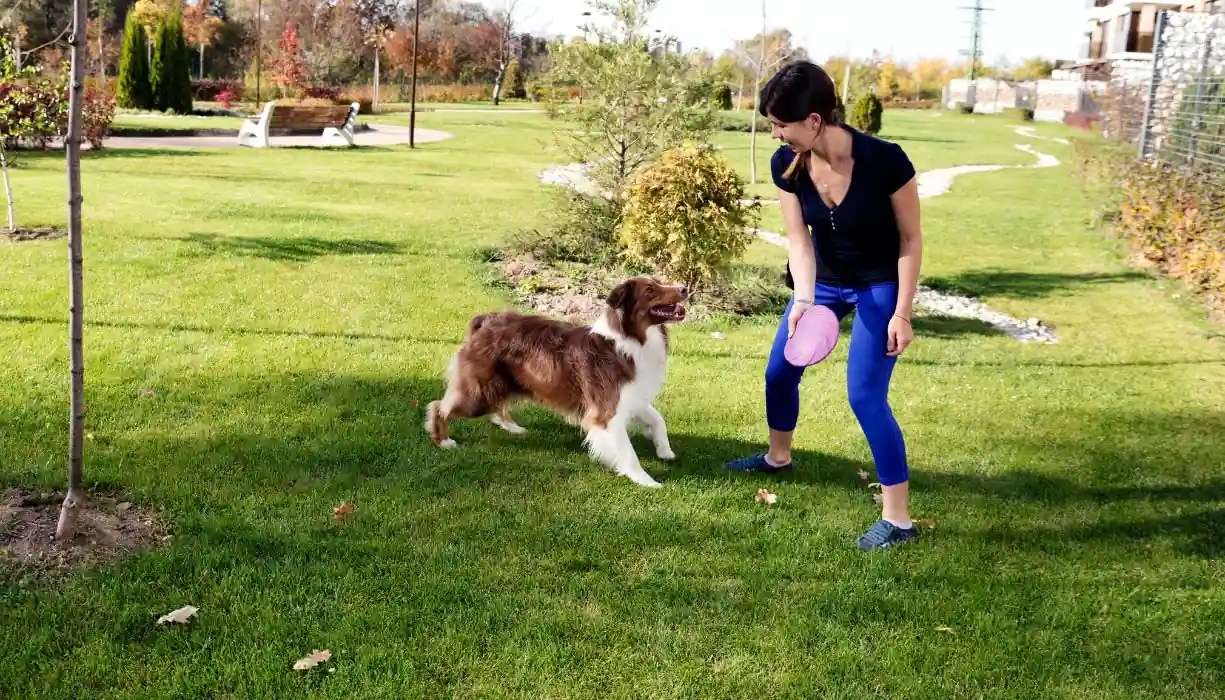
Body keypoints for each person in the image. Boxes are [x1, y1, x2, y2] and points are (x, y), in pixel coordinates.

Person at [724, 61, 924, 552]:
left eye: (781, 124)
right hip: (826, 283)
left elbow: (911, 237)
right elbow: (798, 239)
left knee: (864, 396)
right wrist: (805, 300)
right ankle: (778, 458)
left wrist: (902, 311)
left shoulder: (885, 161)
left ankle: (898, 520)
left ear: (814, 121)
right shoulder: (786, 165)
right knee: (779, 371)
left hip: (878, 284)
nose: (775, 134)